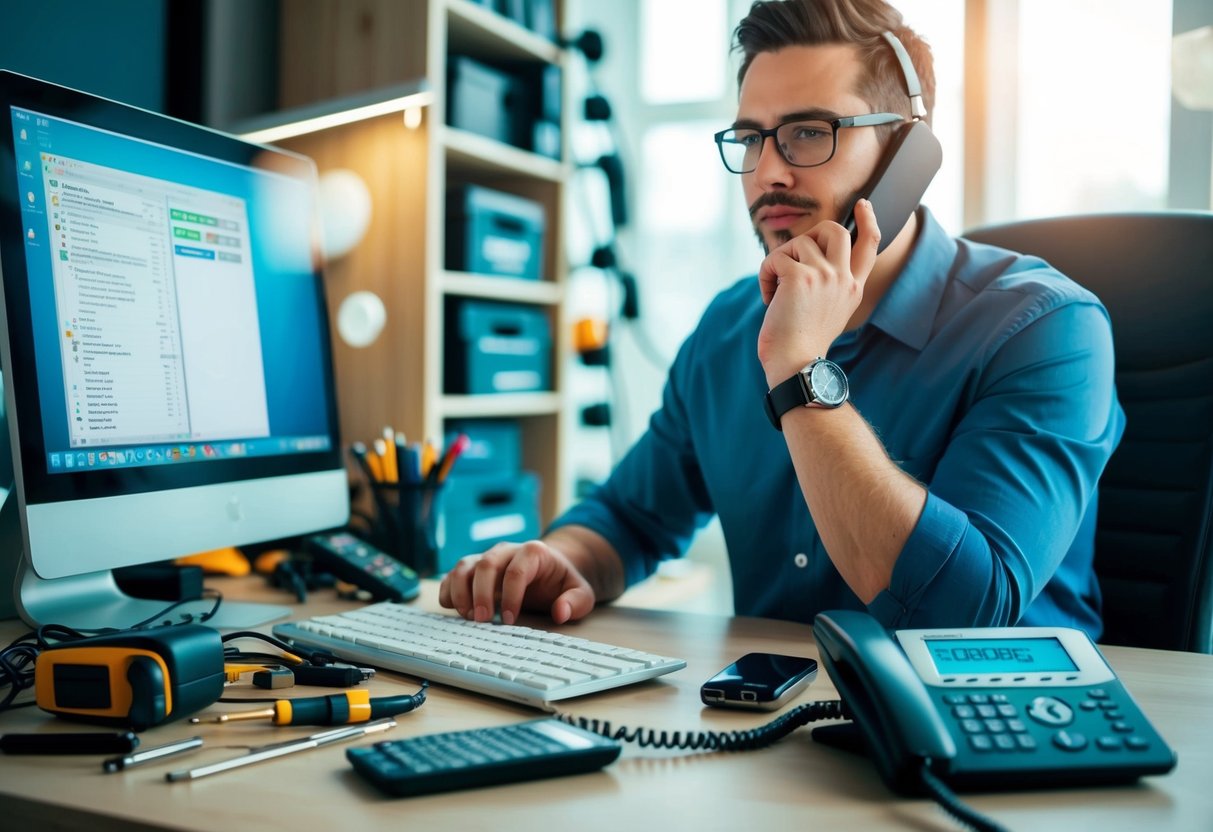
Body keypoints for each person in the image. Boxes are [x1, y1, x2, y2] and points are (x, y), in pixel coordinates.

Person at [439, 0, 1123, 638]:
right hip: (774, 736)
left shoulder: (1046, 327)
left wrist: (800, 371)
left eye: (805, 133)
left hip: (1002, 740)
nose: (767, 172)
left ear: (907, 154)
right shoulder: (729, 327)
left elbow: (960, 614)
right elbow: (631, 516)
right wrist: (564, 559)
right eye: (750, 139)